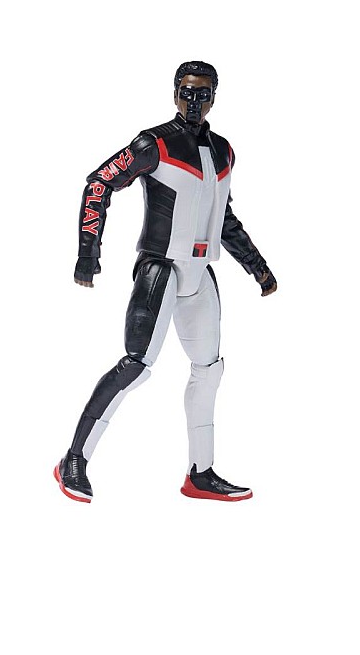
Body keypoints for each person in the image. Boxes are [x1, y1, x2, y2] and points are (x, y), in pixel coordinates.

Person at [54, 60, 277, 503]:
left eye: (203, 93)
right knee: (136, 365)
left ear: (214, 98)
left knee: (209, 371)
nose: (194, 101)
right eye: (187, 92)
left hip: (200, 272)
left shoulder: (223, 151)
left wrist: (258, 267)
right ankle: (73, 459)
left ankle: (201, 472)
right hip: (161, 267)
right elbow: (99, 183)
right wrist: (88, 253)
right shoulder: (153, 143)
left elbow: (223, 218)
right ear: (175, 93)